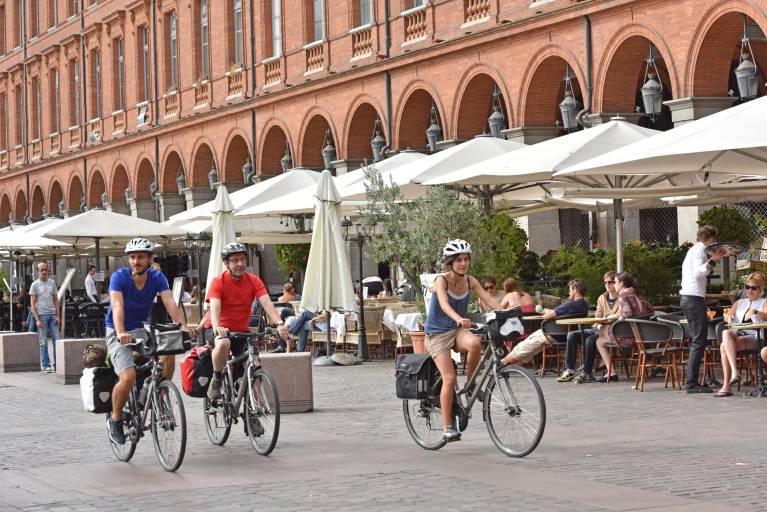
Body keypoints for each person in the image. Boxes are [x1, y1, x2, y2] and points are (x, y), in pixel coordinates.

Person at [106, 238, 192, 445]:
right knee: (127, 376)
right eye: (133, 257)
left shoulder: (157, 277)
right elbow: (117, 305)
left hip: (143, 330)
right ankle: (115, 419)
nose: (136, 261)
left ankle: (160, 395)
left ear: (150, 259)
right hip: (118, 331)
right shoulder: (119, 277)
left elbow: (169, 300)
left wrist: (180, 325)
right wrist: (120, 332)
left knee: (168, 353)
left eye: (141, 257)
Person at [425, 239, 502, 442]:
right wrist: (458, 317)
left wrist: (507, 312)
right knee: (449, 378)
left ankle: (470, 386)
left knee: (475, 344)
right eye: (458, 260)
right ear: (450, 262)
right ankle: (447, 427)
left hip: (456, 330)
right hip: (437, 334)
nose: (463, 263)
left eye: (466, 259)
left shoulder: (470, 280)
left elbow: (489, 299)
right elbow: (442, 303)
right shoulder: (441, 280)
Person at [205, 242, 289, 401]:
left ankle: (253, 415)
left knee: (253, 370)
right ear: (227, 263)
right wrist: (217, 326)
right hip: (218, 329)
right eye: (235, 260)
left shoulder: (253, 280)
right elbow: (214, 307)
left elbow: (266, 303)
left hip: (242, 332)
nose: (240, 264)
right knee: (223, 343)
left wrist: (279, 323)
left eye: (243, 259)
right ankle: (216, 378)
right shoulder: (218, 282)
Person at [500, 279, 589, 367]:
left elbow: (547, 316)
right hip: (568, 335)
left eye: (570, 290)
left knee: (523, 347)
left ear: (575, 290)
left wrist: (548, 312)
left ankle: (502, 363)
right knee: (532, 351)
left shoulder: (569, 304)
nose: (569, 293)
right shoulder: (584, 305)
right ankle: (508, 367)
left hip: (553, 334)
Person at [681, 225, 724, 393]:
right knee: (699, 341)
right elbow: (698, 273)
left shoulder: (692, 251)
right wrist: (713, 259)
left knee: (697, 341)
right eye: (714, 240)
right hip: (693, 299)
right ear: (710, 239)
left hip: (689, 298)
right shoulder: (699, 251)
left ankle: (692, 382)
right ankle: (691, 383)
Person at [590, 272, 653, 383]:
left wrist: (616, 320)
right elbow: (651, 310)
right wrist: (613, 316)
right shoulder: (636, 293)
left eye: (615, 282)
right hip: (641, 336)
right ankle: (610, 372)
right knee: (599, 341)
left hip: (626, 337)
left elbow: (626, 314)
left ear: (622, 283)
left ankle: (610, 372)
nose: (614, 285)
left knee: (601, 329)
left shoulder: (623, 295)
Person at [559, 271, 618, 383]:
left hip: (612, 331)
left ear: (616, 283)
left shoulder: (621, 298)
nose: (608, 284)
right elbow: (597, 316)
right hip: (599, 328)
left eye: (610, 282)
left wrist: (604, 321)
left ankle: (587, 373)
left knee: (589, 340)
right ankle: (570, 369)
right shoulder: (602, 298)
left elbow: (619, 317)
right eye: (605, 282)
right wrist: (599, 324)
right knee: (571, 335)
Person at [715, 272, 767, 397]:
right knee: (726, 332)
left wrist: (755, 312)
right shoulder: (740, 302)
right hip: (738, 335)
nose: (750, 290)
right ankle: (735, 372)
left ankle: (726, 386)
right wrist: (728, 316)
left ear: (760, 290)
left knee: (723, 347)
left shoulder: (764, 302)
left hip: (756, 337)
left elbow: (766, 315)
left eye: (753, 288)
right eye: (747, 287)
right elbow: (727, 315)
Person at [30, 262, 60, 373]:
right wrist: (37, 319)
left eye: (45, 270)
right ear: (38, 271)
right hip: (42, 315)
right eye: (41, 270)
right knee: (43, 341)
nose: (44, 272)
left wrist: (58, 316)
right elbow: (33, 303)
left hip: (53, 315)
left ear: (48, 270)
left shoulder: (52, 283)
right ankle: (46, 364)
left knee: (57, 341)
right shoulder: (34, 285)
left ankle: (58, 364)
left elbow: (56, 300)